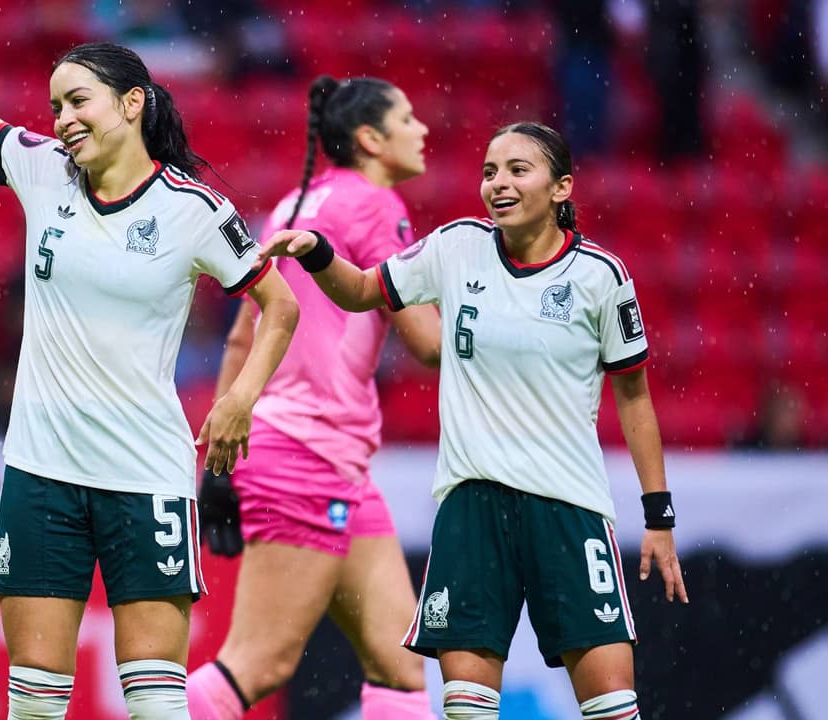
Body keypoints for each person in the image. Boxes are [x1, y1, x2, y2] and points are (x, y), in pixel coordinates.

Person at [0, 24, 299, 720]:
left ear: (132, 103)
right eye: (56, 106)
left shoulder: (195, 210)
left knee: (156, 704)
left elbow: (282, 306)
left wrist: (241, 398)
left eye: (78, 101)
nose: (62, 119)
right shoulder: (44, 170)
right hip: (42, 472)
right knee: (34, 704)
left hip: (145, 476)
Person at [254, 121, 688, 720]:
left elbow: (634, 397)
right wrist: (318, 251)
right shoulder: (457, 246)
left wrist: (658, 515)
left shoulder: (600, 277)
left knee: (613, 707)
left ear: (562, 188)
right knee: (466, 708)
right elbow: (360, 292)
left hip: (568, 508)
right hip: (471, 508)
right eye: (489, 172)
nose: (498, 183)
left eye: (517, 170)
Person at [186, 75, 441, 720]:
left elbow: (243, 336)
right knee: (257, 665)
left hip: (319, 455)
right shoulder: (376, 205)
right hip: (308, 452)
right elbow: (430, 342)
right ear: (370, 139)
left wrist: (217, 468)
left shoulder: (292, 206)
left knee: (401, 666)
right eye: (407, 118)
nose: (422, 130)